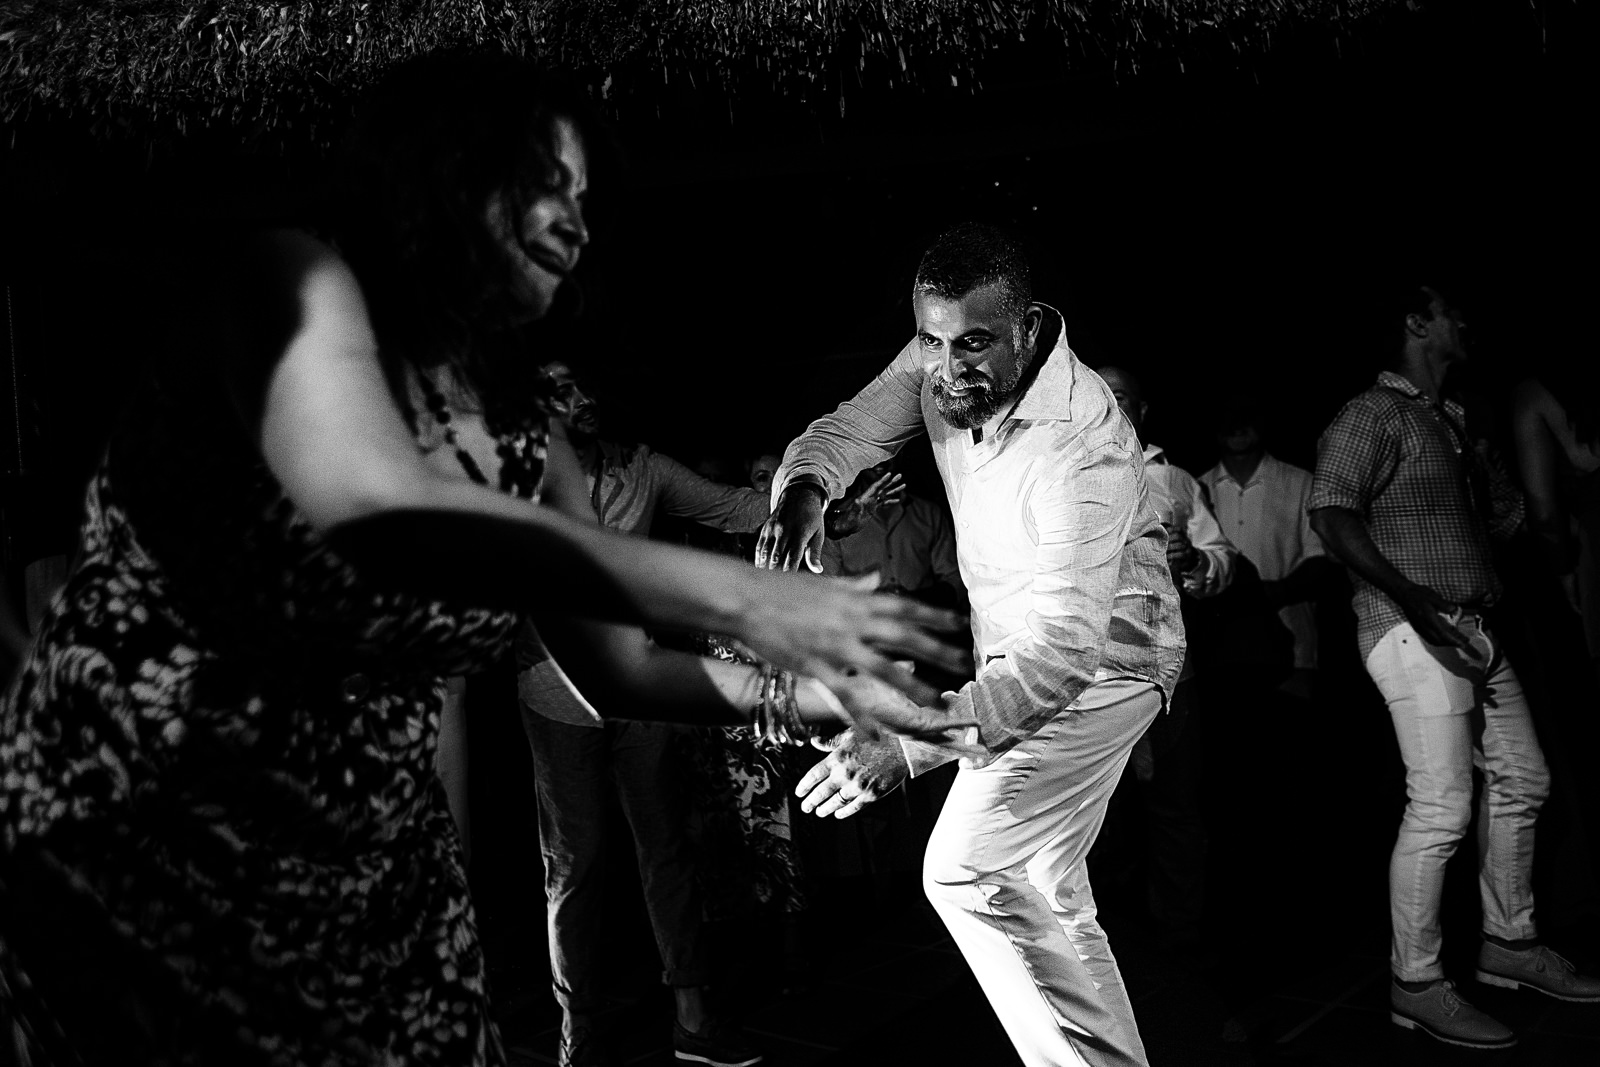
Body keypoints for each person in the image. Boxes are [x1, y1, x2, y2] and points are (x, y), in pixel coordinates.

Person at [0, 54, 970, 1067]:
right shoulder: (291, 280)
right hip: (147, 830)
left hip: (365, 876)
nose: (579, 223)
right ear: (449, 173)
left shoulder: (524, 429)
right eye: (553, 185)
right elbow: (378, 508)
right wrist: (750, 593)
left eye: (587, 200)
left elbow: (620, 668)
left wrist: (831, 694)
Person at [760, 222, 1184, 1067]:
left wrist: (913, 744)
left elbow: (1063, 657)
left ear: (1027, 330)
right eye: (932, 341)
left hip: (1107, 665)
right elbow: (846, 433)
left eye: (975, 343)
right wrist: (804, 490)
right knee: (1050, 892)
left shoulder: (1084, 440)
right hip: (1023, 664)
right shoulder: (936, 363)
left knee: (962, 870)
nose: (949, 367)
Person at [1308, 283, 1600, 1051]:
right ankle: (1417, 983)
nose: (1465, 323)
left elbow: (1511, 518)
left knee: (1525, 780)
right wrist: (1410, 593)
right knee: (1440, 805)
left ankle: (1509, 942)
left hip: (1474, 627)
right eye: (1451, 313)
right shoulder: (1374, 413)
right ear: (1416, 323)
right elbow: (1331, 511)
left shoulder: (1451, 419)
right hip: (1408, 625)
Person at [518, 360, 772, 1067]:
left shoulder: (643, 468)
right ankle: (580, 1034)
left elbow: (732, 506)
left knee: (666, 850)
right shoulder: (519, 467)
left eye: (585, 384)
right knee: (576, 868)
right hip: (555, 693)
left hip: (639, 690)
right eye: (558, 387)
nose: (579, 398)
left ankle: (694, 1018)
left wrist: (823, 497)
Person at [1094, 365, 1235, 956]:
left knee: (1176, 810)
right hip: (1092, 676)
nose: (1107, 402)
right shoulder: (1061, 468)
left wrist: (1199, 563)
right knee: (1100, 816)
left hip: (1171, 673)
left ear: (1142, 408)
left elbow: (1219, 554)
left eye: (1120, 393)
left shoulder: (1171, 478)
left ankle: (1179, 941)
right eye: (1097, 392)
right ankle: (1108, 941)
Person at [1199, 404, 1330, 699]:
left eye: (1246, 415)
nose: (1237, 424)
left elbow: (1321, 559)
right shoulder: (1195, 488)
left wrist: (1276, 592)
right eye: (1228, 416)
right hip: (1218, 653)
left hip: (1293, 652)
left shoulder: (1301, 482)